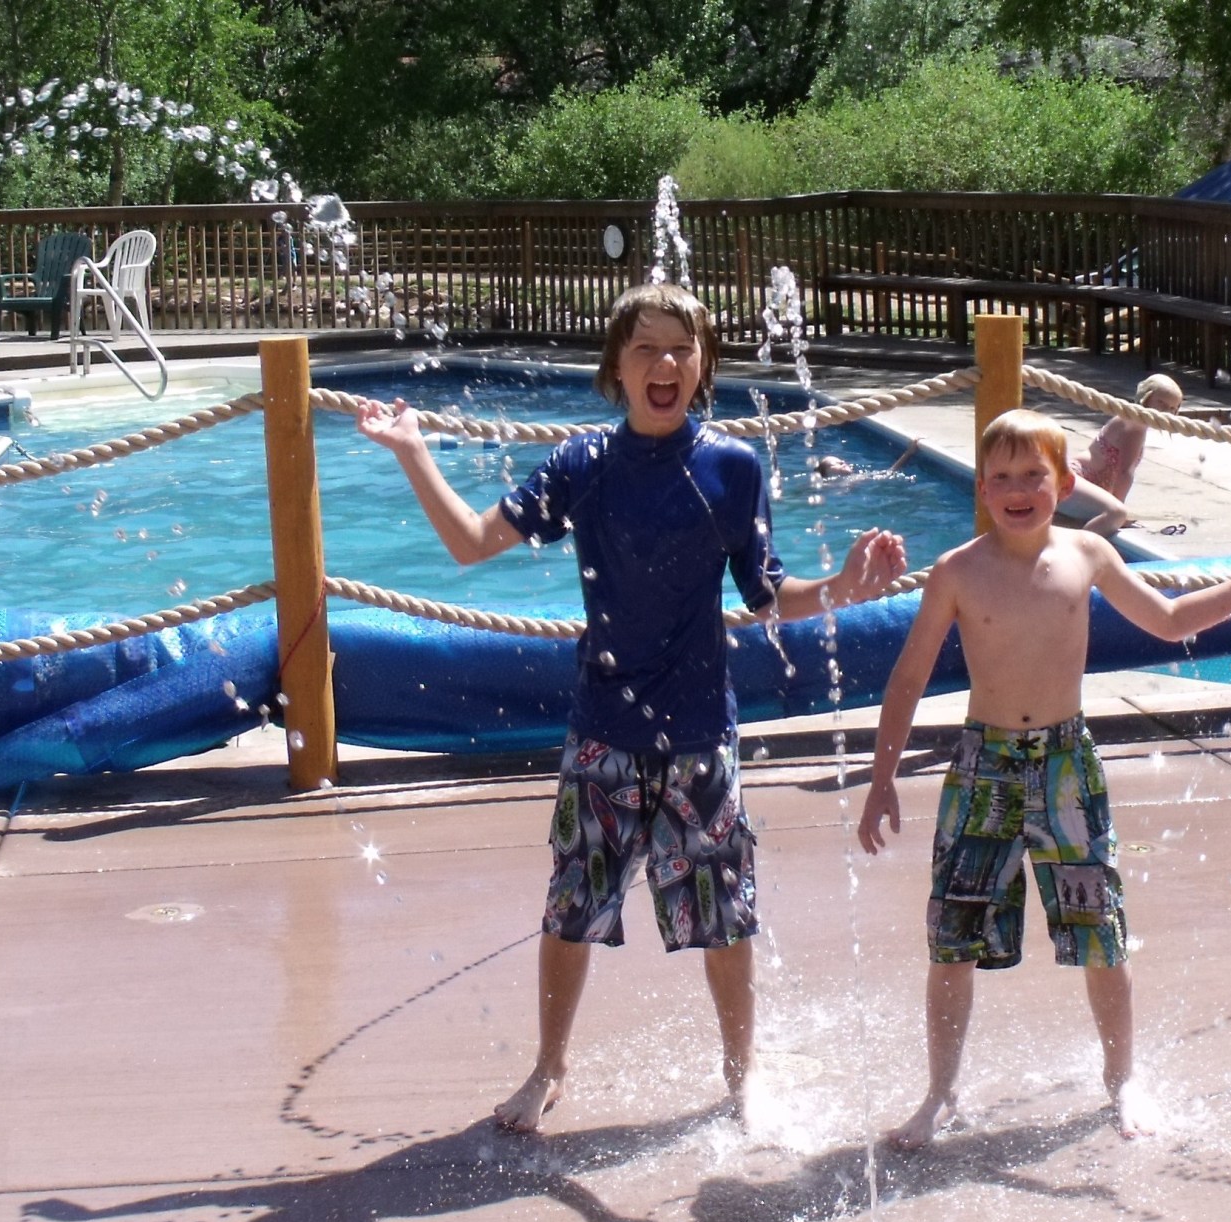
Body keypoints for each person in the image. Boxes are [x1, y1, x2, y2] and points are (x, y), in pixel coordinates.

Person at [356, 282, 909, 1133]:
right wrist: (411, 451)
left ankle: (741, 1076)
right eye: (646, 348)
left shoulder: (733, 467)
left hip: (700, 733)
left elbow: (766, 593)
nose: (665, 363)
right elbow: (469, 542)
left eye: (682, 348)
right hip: (605, 733)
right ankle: (549, 1067)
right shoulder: (584, 465)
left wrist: (842, 586)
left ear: (703, 365)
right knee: (570, 910)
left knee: (726, 918)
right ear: (616, 367)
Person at [857, 408, 1231, 1144]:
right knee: (953, 939)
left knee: (1102, 932)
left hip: (1066, 767)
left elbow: (1171, 620)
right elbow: (909, 676)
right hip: (983, 767)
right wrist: (882, 776)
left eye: (1033, 476)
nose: (1018, 491)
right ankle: (939, 1094)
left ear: (1066, 483)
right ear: (981, 488)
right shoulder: (957, 571)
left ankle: (1123, 1082)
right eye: (1002, 478)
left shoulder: (1088, 555)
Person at [1059, 373, 1184, 535]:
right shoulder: (1135, 425)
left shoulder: (1132, 419)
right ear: (1146, 398)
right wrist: (1119, 508)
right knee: (1116, 514)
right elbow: (1125, 472)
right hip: (1071, 480)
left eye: (1172, 408)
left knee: (1116, 514)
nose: (1166, 412)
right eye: (1161, 403)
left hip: (1074, 482)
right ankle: (1079, 547)